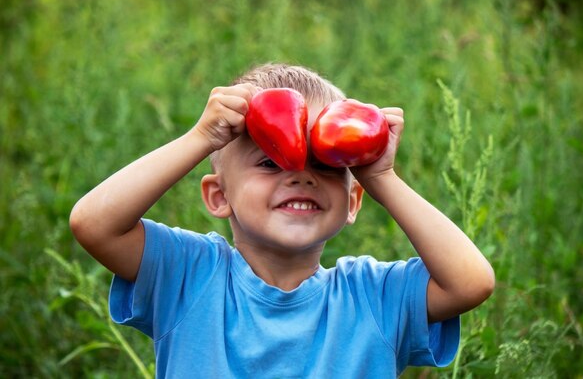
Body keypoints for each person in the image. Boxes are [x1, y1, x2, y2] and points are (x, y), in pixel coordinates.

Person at [69, 63, 495, 378]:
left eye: (326, 164)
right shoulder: (188, 276)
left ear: (353, 201)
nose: (301, 174)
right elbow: (93, 224)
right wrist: (201, 138)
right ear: (219, 196)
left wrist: (381, 176)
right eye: (271, 161)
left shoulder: (371, 297)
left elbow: (470, 282)